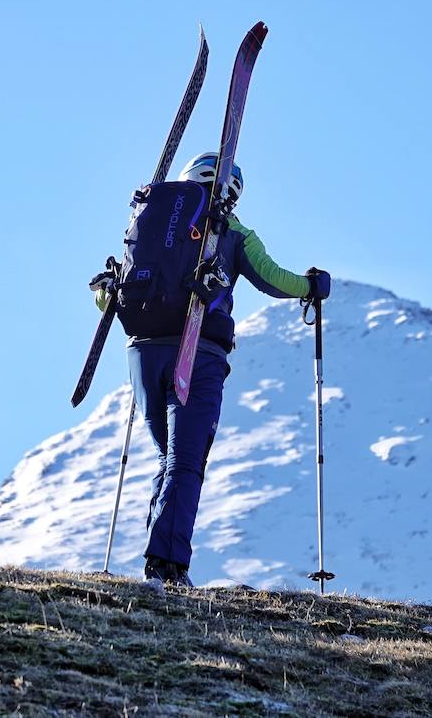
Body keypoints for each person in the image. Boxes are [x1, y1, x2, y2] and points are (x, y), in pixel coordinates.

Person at [100, 152, 330, 586]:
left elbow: (111, 294)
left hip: (143, 352)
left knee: (170, 458)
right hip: (198, 350)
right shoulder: (231, 229)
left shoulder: (150, 220)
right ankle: (167, 566)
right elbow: (271, 277)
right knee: (186, 461)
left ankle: (158, 558)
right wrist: (312, 287)